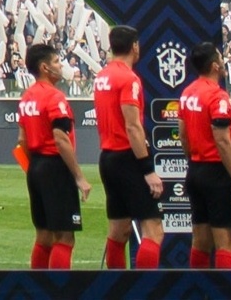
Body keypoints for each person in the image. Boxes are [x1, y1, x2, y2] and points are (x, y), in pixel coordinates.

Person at [92, 26, 160, 270]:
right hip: (127, 158)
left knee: (119, 231)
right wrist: (147, 168)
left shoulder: (102, 76)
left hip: (108, 157)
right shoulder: (129, 79)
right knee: (153, 230)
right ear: (134, 46)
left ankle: (117, 289)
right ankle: (143, 290)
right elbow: (132, 126)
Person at [17, 44, 85, 270]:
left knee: (44, 237)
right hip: (55, 166)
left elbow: (22, 141)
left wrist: (34, 170)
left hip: (36, 166)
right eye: (57, 62)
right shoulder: (55, 97)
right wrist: (79, 177)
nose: (60, 66)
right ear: (45, 67)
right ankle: (59, 289)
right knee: (65, 237)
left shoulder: (27, 97)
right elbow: (61, 139)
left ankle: (38, 290)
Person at [181, 41, 231, 270]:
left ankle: (197, 291)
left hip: (196, 169)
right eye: (220, 56)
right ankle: (227, 292)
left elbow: (182, 134)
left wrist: (193, 159)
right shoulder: (218, 97)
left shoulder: (188, 93)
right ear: (215, 66)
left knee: (200, 240)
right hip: (216, 172)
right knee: (225, 241)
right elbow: (222, 140)